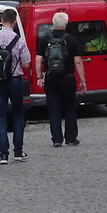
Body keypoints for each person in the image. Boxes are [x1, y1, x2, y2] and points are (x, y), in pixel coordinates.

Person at [0, 7, 32, 165]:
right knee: (18, 114)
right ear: (15, 22)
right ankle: (18, 152)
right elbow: (26, 64)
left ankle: (3, 154)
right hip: (15, 79)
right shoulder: (19, 40)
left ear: (1, 21)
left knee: (1, 115)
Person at [35, 10, 87, 147]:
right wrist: (82, 80)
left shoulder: (45, 39)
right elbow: (78, 62)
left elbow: (37, 59)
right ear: (66, 24)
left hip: (51, 78)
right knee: (70, 107)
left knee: (53, 108)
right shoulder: (71, 39)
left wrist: (39, 76)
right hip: (68, 78)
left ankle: (57, 139)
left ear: (53, 23)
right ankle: (70, 138)